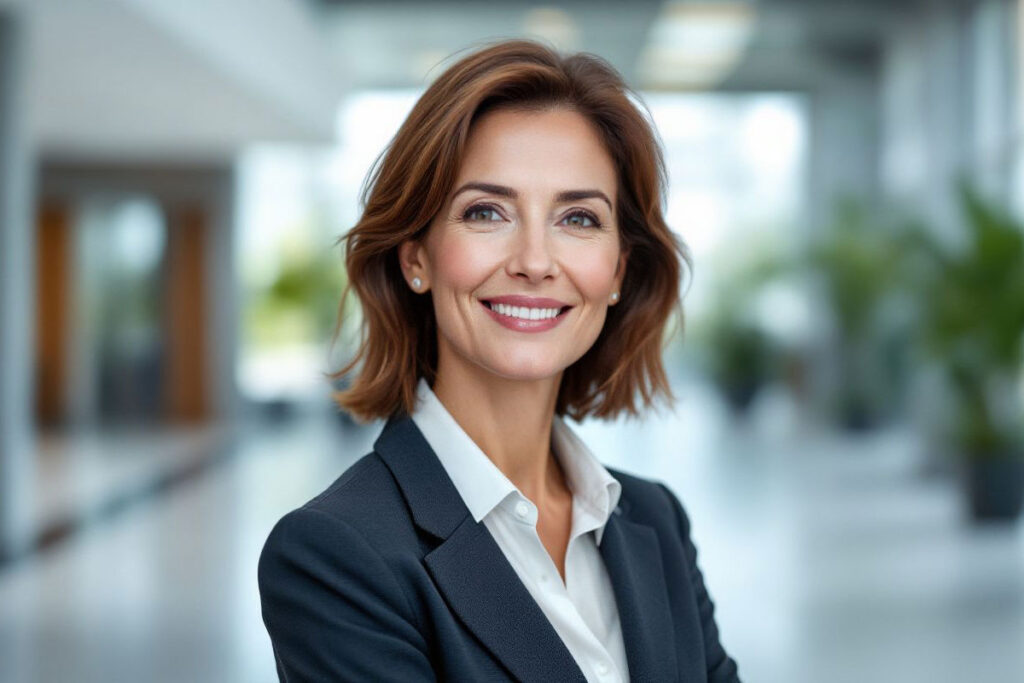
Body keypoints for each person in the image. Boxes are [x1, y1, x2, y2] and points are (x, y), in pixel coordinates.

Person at [258, 38, 741, 683]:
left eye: (578, 218)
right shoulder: (337, 554)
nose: (535, 261)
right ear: (417, 259)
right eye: (486, 212)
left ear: (619, 269)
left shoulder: (655, 522)